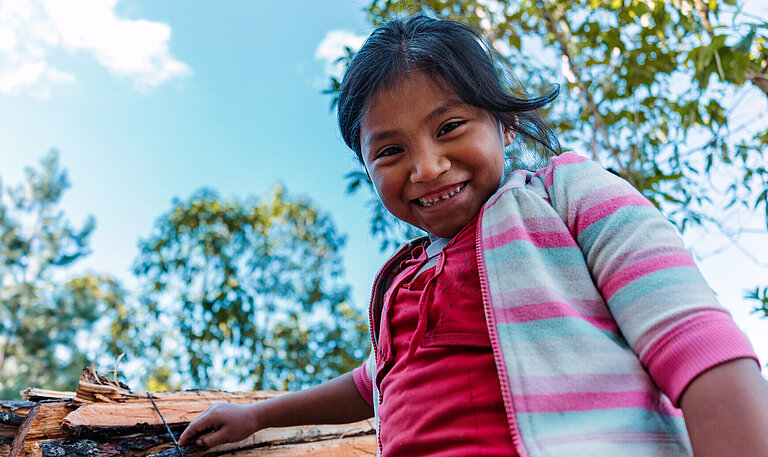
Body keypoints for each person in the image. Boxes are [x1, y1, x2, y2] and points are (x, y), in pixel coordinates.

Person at [178, 14, 768, 457]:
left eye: (451, 125)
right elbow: (371, 380)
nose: (427, 166)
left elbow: (694, 342)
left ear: (506, 124)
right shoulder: (405, 279)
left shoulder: (568, 194)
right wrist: (255, 416)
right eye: (390, 150)